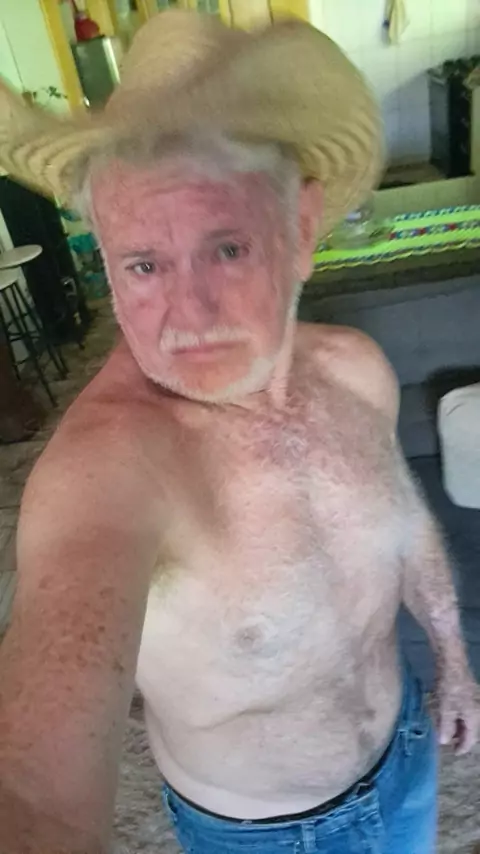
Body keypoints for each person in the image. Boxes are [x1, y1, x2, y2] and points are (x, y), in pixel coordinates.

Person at [0, 11, 478, 854]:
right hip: (263, 838)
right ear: (106, 260)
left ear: (301, 230)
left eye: (226, 249)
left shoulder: (356, 368)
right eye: (144, 264)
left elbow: (403, 528)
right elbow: (31, 789)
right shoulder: (108, 471)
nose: (190, 314)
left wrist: (454, 660)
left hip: (405, 760)